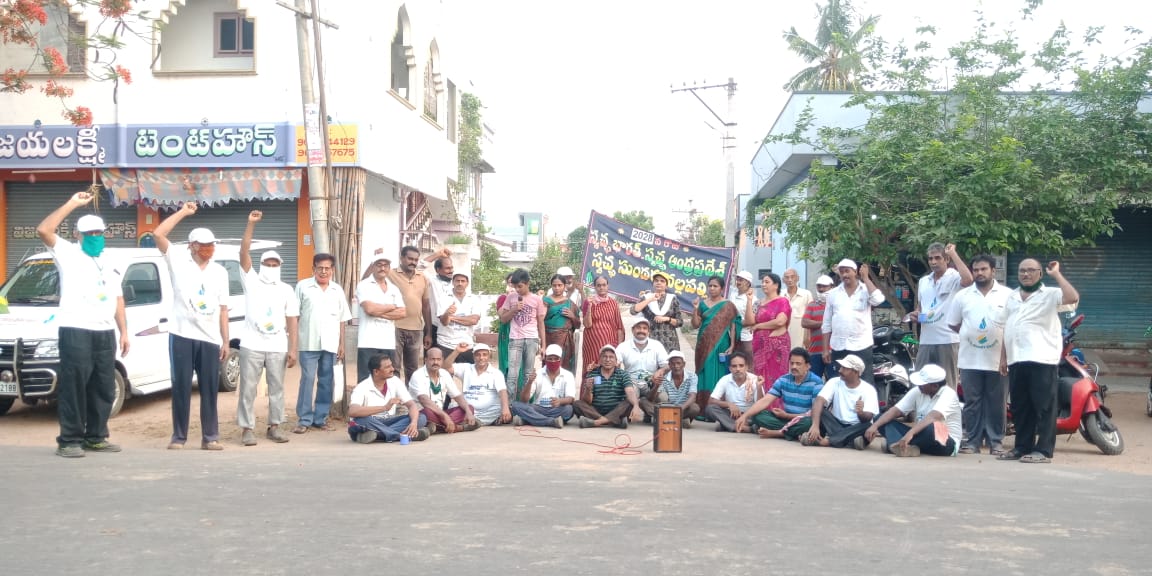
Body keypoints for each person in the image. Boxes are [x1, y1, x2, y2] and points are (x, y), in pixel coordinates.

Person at [36, 191, 130, 458]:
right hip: (76, 329)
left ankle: (96, 437)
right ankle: (69, 440)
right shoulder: (67, 253)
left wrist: (124, 331)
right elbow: (44, 230)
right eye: (89, 233)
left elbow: (118, 298)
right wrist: (73, 203)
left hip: (105, 332)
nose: (95, 237)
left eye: (99, 232)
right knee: (74, 386)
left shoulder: (111, 260)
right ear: (78, 235)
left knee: (103, 387)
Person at [152, 202, 230, 450]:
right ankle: (179, 437)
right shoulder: (177, 260)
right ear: (192, 246)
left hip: (209, 338)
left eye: (211, 245)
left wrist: (225, 341)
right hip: (182, 334)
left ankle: (210, 437)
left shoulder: (220, 272)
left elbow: (223, 308)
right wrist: (184, 212)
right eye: (204, 245)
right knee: (181, 387)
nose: (209, 249)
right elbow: (158, 234)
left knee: (209, 389)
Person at [995, 259, 1079, 464]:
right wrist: (1003, 358)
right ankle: (1021, 447)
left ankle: (1043, 450)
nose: (1026, 274)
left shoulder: (1050, 294)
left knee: (1045, 407)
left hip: (1042, 359)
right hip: (1016, 359)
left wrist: (1056, 274)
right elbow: (1006, 326)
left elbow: (1073, 297)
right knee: (1020, 407)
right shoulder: (1012, 296)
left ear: (1040, 273)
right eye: (1022, 270)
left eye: (1031, 270)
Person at [236, 210, 299, 446]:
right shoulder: (251, 281)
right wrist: (250, 224)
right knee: (248, 389)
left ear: (280, 266)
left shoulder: (286, 289)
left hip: (277, 345)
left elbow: (292, 319)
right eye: (267, 263)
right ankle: (247, 429)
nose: (271, 267)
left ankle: (275, 426)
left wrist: (293, 348)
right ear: (261, 264)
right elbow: (243, 252)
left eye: (275, 264)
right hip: (251, 344)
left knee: (277, 388)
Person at [947, 254, 1012, 455]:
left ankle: (996, 442)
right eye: (976, 270)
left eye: (984, 269)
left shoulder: (1008, 295)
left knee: (997, 402)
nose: (979, 273)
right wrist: (971, 334)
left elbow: (1012, 326)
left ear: (993, 271)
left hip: (998, 360)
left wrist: (1005, 357)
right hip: (969, 359)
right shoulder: (962, 296)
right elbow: (953, 323)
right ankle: (973, 442)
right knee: (972, 402)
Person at [294, 252, 352, 434]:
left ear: (332, 270)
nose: (324, 272)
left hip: (331, 344)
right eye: (320, 268)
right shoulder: (303, 287)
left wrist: (342, 344)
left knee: (327, 381)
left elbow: (342, 319)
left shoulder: (337, 290)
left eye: (327, 268)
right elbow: (294, 316)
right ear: (314, 269)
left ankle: (320, 418)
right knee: (307, 380)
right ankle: (304, 419)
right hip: (308, 342)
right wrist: (293, 344)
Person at [866, 364, 962, 457]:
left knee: (932, 427)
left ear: (935, 386)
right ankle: (905, 447)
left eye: (922, 384)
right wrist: (874, 426)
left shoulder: (949, 394)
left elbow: (933, 417)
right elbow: (896, 410)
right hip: (919, 436)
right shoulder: (918, 391)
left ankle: (896, 444)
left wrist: (910, 433)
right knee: (879, 419)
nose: (919, 385)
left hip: (945, 442)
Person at [913, 243, 973, 388]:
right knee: (921, 384)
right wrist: (916, 315)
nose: (933, 262)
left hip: (948, 340)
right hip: (926, 340)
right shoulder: (923, 281)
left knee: (947, 384)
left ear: (946, 259)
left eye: (938, 258)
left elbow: (969, 280)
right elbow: (921, 308)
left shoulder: (953, 277)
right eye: (930, 259)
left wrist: (953, 253)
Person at [736, 348, 825, 440]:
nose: (794, 367)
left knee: (809, 423)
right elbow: (765, 400)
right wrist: (744, 416)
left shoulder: (816, 382)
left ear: (807, 366)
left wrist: (787, 415)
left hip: (803, 419)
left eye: (798, 364)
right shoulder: (783, 380)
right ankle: (790, 432)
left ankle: (777, 433)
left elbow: (815, 412)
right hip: (785, 420)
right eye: (792, 363)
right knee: (758, 415)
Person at [821, 258, 885, 384]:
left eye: (847, 271)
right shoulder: (833, 294)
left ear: (855, 272)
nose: (844, 275)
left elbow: (878, 300)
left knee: (864, 382)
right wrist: (825, 349)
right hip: (839, 346)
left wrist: (866, 278)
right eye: (841, 272)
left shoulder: (866, 290)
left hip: (861, 345)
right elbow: (826, 323)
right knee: (839, 382)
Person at [347, 354, 430, 444]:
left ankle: (377, 435)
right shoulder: (362, 387)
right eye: (387, 367)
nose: (392, 369)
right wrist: (384, 408)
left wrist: (413, 423)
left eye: (391, 365)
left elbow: (411, 405)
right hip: (371, 422)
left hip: (388, 422)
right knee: (360, 421)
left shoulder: (395, 381)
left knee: (421, 417)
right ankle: (402, 436)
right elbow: (352, 411)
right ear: (376, 372)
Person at [804, 355, 879, 449]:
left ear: (856, 372)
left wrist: (861, 413)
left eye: (845, 368)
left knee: (868, 425)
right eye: (841, 367)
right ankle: (850, 441)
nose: (840, 370)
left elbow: (868, 418)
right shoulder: (834, 382)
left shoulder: (869, 389)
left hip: (856, 427)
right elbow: (819, 400)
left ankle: (828, 441)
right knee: (820, 410)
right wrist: (815, 426)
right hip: (836, 424)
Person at [691, 275, 741, 415]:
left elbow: (733, 325)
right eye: (710, 286)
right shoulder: (702, 304)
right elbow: (695, 325)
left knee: (719, 374)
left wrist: (732, 345)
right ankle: (702, 408)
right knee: (704, 372)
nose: (712, 288)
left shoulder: (728, 305)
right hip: (703, 344)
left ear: (722, 289)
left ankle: (717, 408)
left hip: (721, 344)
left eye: (715, 286)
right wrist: (695, 309)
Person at [355, 249, 405, 384]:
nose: (382, 268)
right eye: (379, 265)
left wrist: (378, 311)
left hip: (388, 342)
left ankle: (386, 399)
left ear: (389, 268)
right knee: (366, 379)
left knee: (387, 379)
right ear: (373, 267)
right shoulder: (364, 285)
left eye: (385, 265)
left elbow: (402, 312)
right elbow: (369, 309)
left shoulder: (394, 288)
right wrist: (391, 306)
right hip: (368, 341)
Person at [407, 346, 479, 433]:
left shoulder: (444, 373)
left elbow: (457, 396)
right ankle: (459, 428)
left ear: (442, 360)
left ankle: (436, 427)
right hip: (423, 413)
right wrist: (445, 417)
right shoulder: (418, 375)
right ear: (426, 360)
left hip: (440, 414)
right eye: (432, 359)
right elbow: (424, 400)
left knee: (469, 408)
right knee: (426, 413)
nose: (435, 362)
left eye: (438, 359)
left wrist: (468, 412)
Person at [498, 268, 545, 400]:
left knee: (528, 374)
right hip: (515, 339)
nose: (517, 289)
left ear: (527, 283)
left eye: (520, 286)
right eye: (515, 287)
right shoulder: (510, 297)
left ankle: (525, 404)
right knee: (512, 374)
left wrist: (543, 345)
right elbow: (503, 319)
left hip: (531, 339)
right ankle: (510, 404)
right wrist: (514, 309)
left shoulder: (537, 299)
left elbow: (541, 323)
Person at [387, 245, 432, 381]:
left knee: (412, 368)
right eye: (410, 259)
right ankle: (394, 394)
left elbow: (426, 306)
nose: (413, 262)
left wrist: (428, 332)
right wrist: (374, 260)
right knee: (394, 367)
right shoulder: (390, 274)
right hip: (395, 327)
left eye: (416, 260)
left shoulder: (422, 277)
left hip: (416, 329)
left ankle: (411, 394)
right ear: (401, 258)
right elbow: (367, 279)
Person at [575, 345, 645, 428]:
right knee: (577, 404)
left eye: (611, 357)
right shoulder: (593, 374)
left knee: (630, 402)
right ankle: (614, 421)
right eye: (604, 357)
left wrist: (636, 406)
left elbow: (629, 391)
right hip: (596, 410)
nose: (607, 360)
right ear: (600, 360)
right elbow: (588, 401)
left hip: (617, 410)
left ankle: (597, 422)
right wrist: (588, 389)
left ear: (616, 361)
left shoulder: (623, 374)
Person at [510, 344, 577, 428]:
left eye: (556, 359)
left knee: (569, 409)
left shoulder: (568, 375)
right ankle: (551, 422)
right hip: (538, 408)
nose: (553, 361)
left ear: (561, 360)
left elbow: (571, 398)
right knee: (515, 405)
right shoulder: (538, 373)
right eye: (550, 359)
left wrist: (560, 401)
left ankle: (529, 420)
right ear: (545, 359)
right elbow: (524, 400)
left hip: (557, 409)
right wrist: (529, 382)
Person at [445, 343, 511, 426]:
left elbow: (502, 391)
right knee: (454, 409)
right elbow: (446, 368)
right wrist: (457, 351)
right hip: (467, 410)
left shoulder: (496, 373)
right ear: (473, 356)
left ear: (489, 356)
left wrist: (505, 408)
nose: (481, 358)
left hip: (488, 412)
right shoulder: (466, 368)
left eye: (484, 355)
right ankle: (473, 423)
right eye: (478, 355)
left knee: (502, 411)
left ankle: (468, 423)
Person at [751, 272, 792, 396]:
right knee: (760, 376)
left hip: (777, 345)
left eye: (767, 282)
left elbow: (780, 321)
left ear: (776, 285)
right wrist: (749, 301)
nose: (763, 284)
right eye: (762, 282)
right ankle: (761, 402)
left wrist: (759, 326)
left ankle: (776, 404)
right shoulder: (758, 303)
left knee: (776, 376)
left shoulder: (782, 301)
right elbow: (750, 321)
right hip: (759, 346)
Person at [641, 350, 700, 427]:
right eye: (673, 363)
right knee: (642, 401)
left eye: (678, 363)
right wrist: (656, 386)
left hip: (683, 408)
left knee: (695, 408)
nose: (676, 366)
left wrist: (681, 409)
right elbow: (651, 399)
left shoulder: (692, 376)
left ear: (684, 364)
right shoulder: (664, 377)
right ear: (669, 365)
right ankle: (678, 420)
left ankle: (664, 420)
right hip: (666, 409)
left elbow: (692, 396)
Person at [581, 276, 625, 377]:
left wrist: (619, 349)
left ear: (608, 286)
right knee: (591, 369)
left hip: (609, 343)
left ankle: (607, 387)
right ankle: (590, 387)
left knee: (608, 368)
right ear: (595, 287)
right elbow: (587, 324)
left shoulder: (613, 303)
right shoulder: (589, 302)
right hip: (592, 344)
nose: (601, 287)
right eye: (599, 285)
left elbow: (619, 326)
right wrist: (589, 307)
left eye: (604, 285)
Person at [705, 352, 760, 433]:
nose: (738, 369)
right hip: (732, 415)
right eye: (734, 366)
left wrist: (759, 387)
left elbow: (761, 404)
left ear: (747, 367)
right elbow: (711, 401)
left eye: (741, 366)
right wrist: (729, 404)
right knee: (710, 409)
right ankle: (743, 428)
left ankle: (726, 425)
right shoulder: (725, 379)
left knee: (762, 416)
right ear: (730, 368)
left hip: (749, 416)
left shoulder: (755, 379)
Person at [615, 318, 668, 400]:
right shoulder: (623, 346)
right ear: (633, 330)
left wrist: (660, 371)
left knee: (663, 398)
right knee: (631, 396)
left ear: (648, 331)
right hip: (631, 382)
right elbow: (615, 363)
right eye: (638, 328)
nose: (641, 330)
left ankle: (644, 404)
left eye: (644, 328)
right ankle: (638, 405)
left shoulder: (657, 345)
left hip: (652, 381)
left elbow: (667, 365)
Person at [631, 271, 682, 353]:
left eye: (662, 281)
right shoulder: (647, 297)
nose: (659, 283)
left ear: (666, 285)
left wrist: (667, 319)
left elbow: (680, 322)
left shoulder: (672, 299)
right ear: (653, 284)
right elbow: (633, 311)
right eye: (656, 281)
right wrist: (650, 299)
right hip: (651, 339)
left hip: (669, 341)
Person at [435, 273, 481, 363]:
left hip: (466, 344)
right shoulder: (444, 298)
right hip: (446, 343)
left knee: (467, 371)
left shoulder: (474, 299)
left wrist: (451, 317)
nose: (460, 283)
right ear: (453, 282)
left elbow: (474, 320)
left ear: (467, 283)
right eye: (457, 281)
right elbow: (444, 322)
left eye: (463, 281)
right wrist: (447, 313)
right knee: (445, 370)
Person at [543, 274, 581, 372]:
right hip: (548, 338)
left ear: (564, 286)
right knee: (548, 364)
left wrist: (572, 316)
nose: (557, 288)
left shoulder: (570, 303)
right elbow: (539, 321)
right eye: (554, 285)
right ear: (551, 286)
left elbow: (578, 325)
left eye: (559, 285)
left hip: (564, 339)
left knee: (563, 366)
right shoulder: (545, 301)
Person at [801, 275, 835, 379]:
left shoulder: (836, 304)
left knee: (833, 380)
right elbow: (804, 322)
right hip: (815, 351)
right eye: (819, 286)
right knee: (813, 381)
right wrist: (826, 323)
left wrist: (815, 323)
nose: (821, 289)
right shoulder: (812, 305)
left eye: (824, 286)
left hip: (833, 350)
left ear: (831, 287)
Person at [782, 269, 812, 354]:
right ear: (783, 280)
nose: (790, 280)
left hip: (801, 333)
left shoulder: (806, 294)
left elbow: (810, 316)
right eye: (787, 277)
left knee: (799, 356)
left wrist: (808, 336)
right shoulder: (780, 294)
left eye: (792, 277)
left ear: (798, 278)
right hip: (783, 333)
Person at [730, 270, 757, 357]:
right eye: (737, 279)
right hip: (730, 335)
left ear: (748, 283)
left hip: (745, 337)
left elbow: (751, 321)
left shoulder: (754, 300)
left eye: (741, 280)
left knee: (747, 361)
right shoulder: (732, 293)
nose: (738, 282)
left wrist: (735, 323)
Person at [496, 273, 518, 379]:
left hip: (520, 331)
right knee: (506, 360)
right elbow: (501, 315)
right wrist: (509, 299)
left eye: (515, 283)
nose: (512, 285)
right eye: (510, 283)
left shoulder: (525, 297)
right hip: (507, 331)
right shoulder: (503, 298)